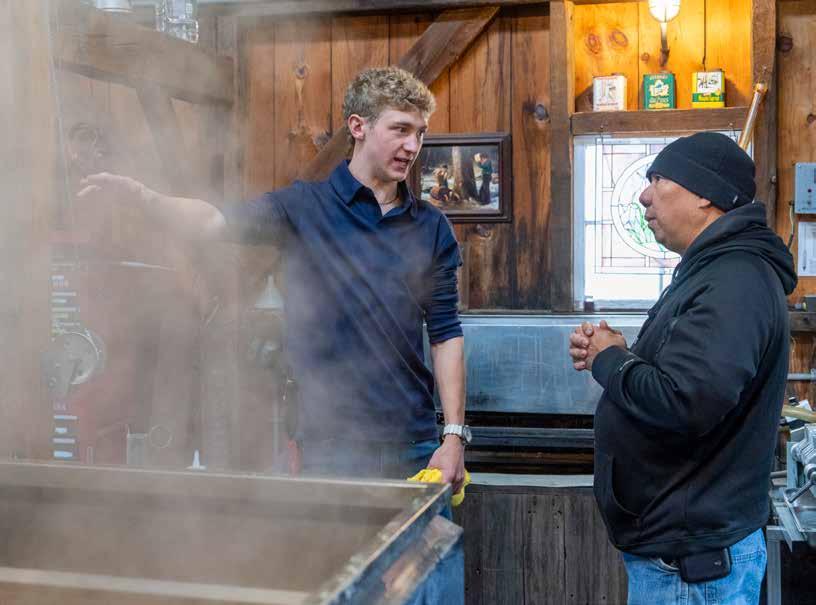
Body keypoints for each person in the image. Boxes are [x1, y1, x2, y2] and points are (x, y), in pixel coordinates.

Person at [78, 66, 469, 495]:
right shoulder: (303, 207)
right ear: (358, 127)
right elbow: (213, 221)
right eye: (400, 130)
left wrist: (452, 437)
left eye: (419, 133)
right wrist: (144, 198)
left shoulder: (430, 226)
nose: (413, 146)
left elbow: (445, 333)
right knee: (336, 544)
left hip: (414, 443)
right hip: (330, 445)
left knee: (426, 542)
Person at [568, 132, 796, 605]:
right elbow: (686, 378)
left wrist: (610, 360)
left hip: (693, 572)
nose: (643, 195)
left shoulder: (735, 279)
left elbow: (684, 401)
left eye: (658, 179)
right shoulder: (713, 270)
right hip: (683, 558)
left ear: (705, 194)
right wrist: (616, 353)